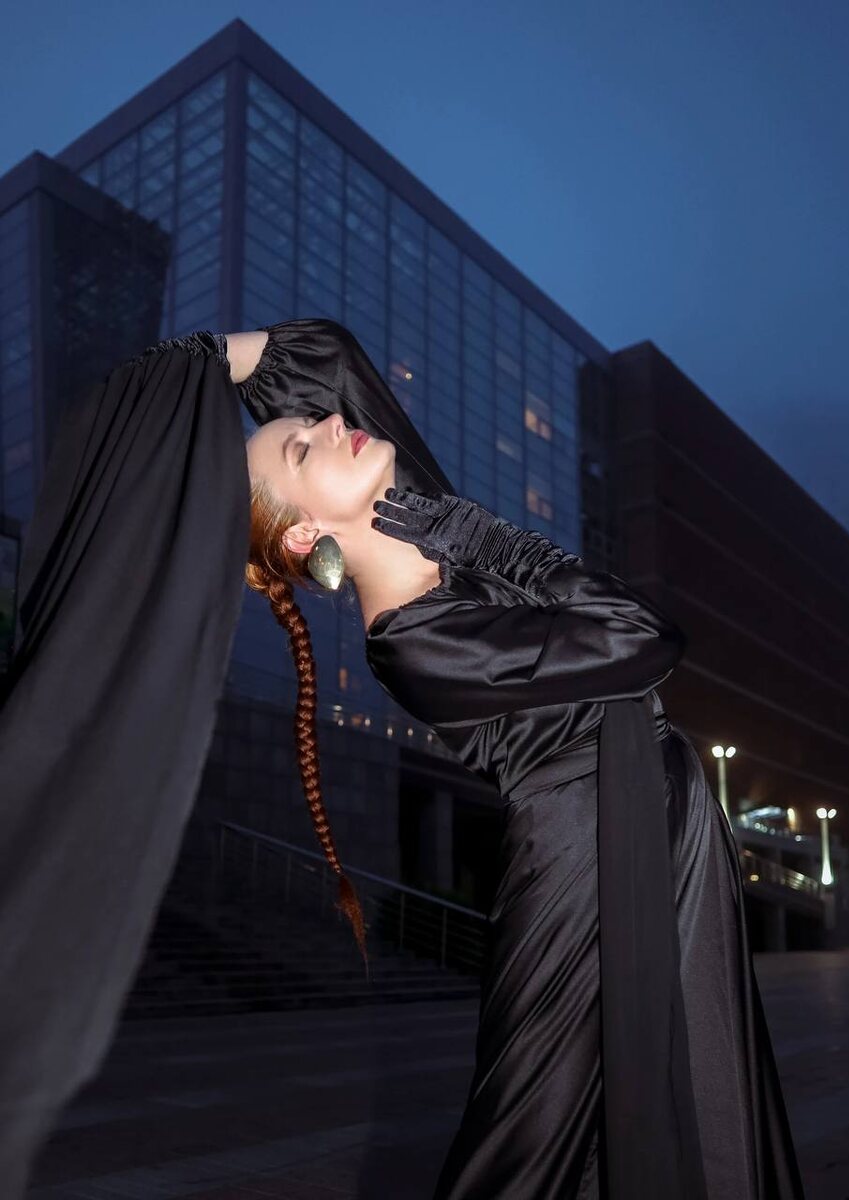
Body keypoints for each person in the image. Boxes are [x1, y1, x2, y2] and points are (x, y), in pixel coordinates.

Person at [0, 317, 805, 1199]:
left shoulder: (415, 523)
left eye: (312, 425)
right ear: (305, 537)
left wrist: (203, 358)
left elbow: (326, 357)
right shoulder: (416, 643)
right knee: (532, 1138)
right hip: (588, 861)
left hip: (646, 815)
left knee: (693, 1090)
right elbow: (644, 636)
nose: (326, 424)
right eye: (300, 448)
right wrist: (482, 537)